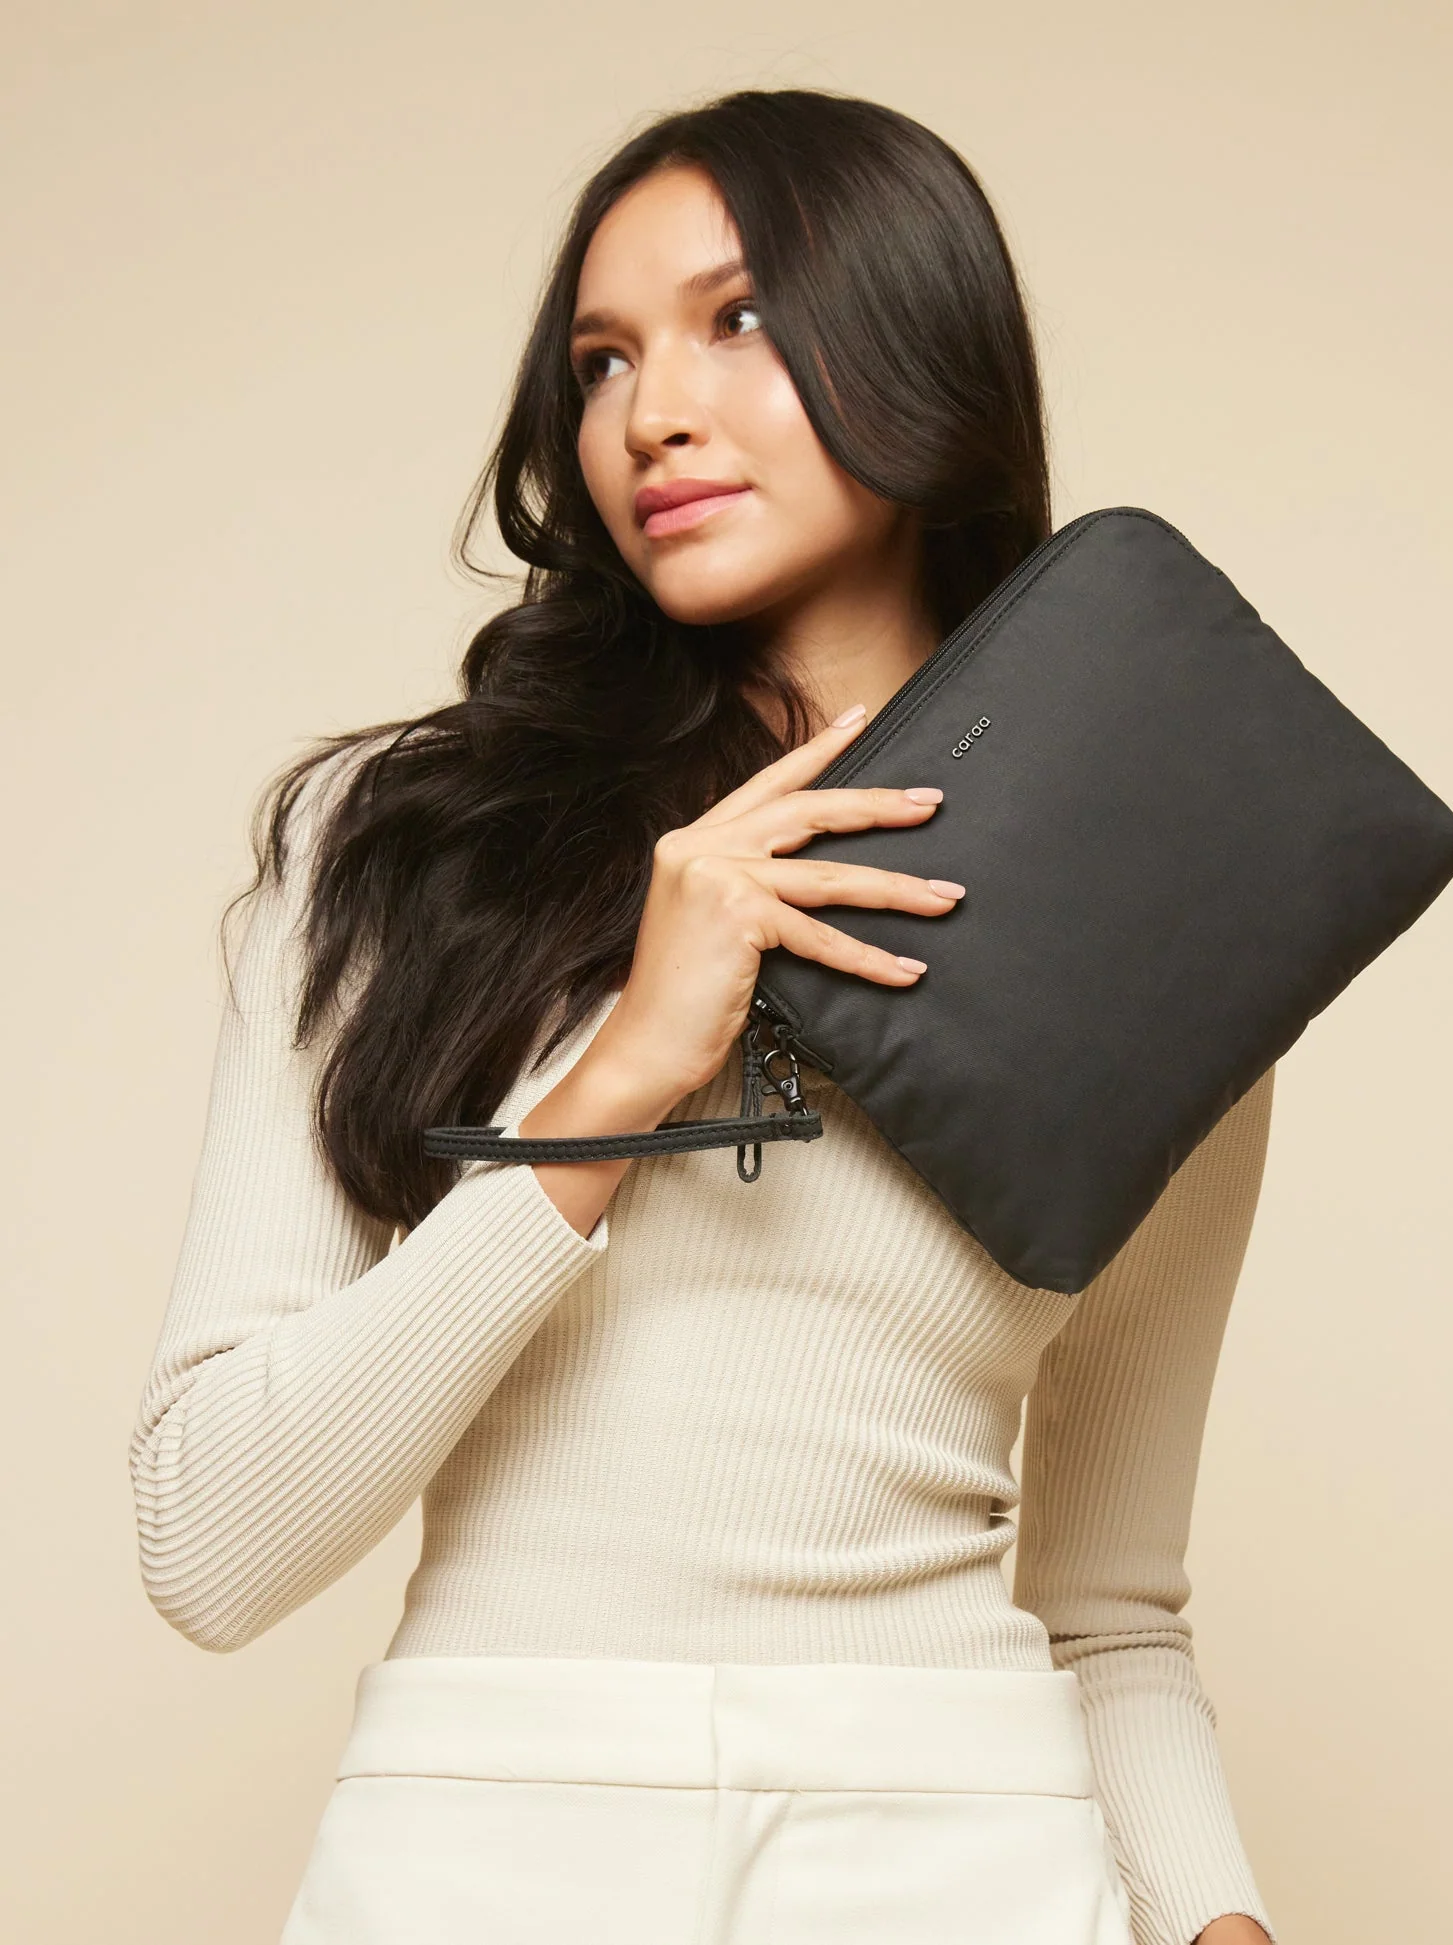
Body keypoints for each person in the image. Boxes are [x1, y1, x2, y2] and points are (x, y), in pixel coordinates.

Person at [129, 87, 1278, 1945]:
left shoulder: (1158, 929)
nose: (649, 414)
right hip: (489, 1841)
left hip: (957, 1843)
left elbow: (1111, 1617)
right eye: (601, 360)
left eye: (736, 320)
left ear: (920, 341)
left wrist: (1223, 1928)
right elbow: (210, 1538)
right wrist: (626, 1071)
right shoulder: (401, 852)